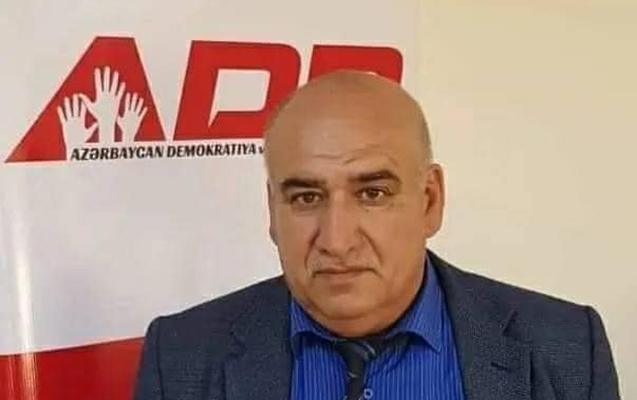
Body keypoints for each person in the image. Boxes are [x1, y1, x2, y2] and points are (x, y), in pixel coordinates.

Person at [134, 71, 621, 400]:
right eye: (306, 197)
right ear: (272, 211)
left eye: (372, 193)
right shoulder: (180, 358)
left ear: (430, 200)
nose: (337, 240)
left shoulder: (565, 349)